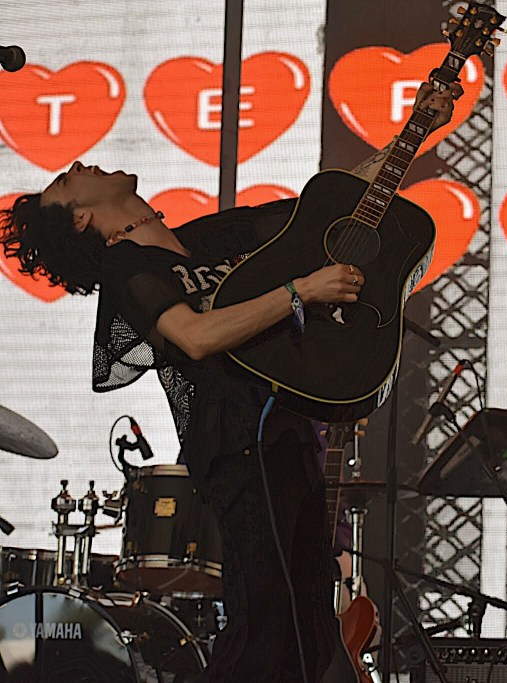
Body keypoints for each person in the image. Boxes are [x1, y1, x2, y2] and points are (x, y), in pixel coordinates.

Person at [1, 82, 462, 682]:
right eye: (66, 182)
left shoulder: (208, 238)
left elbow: (329, 211)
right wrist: (302, 292)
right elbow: (194, 336)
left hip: (291, 433)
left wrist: (415, 130)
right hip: (237, 446)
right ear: (83, 218)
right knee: (266, 619)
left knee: (309, 620)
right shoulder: (129, 268)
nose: (78, 164)